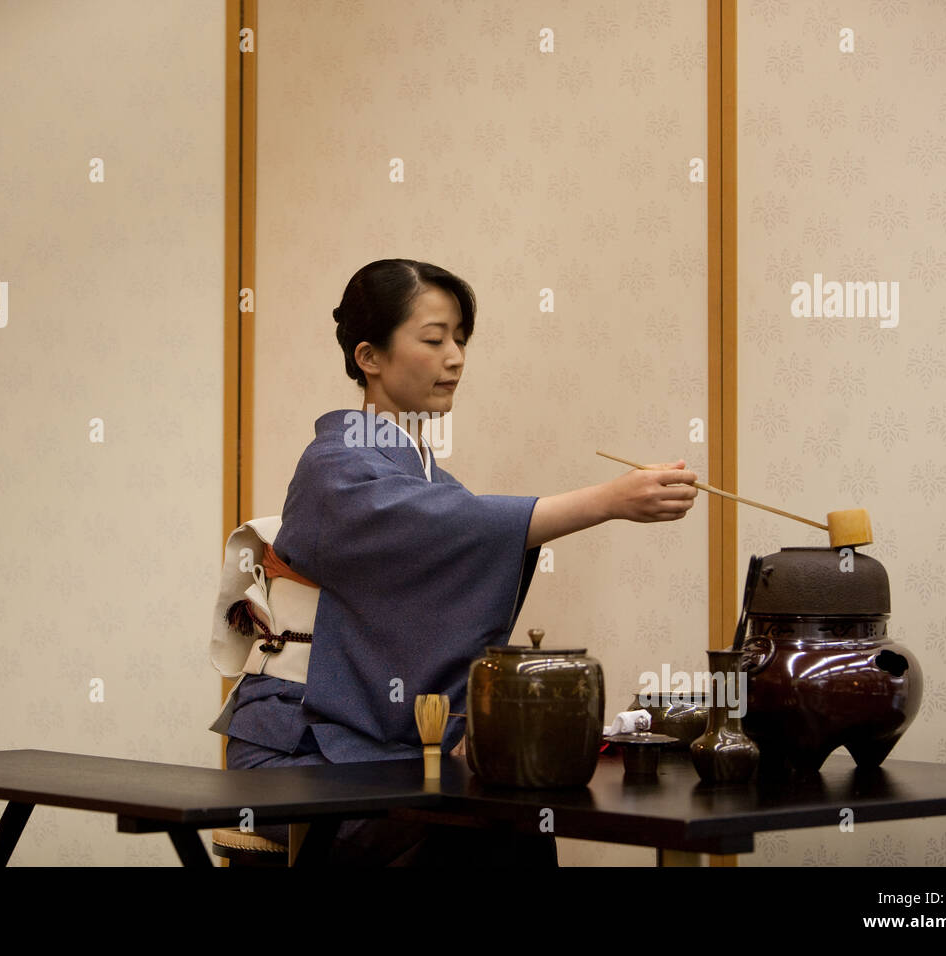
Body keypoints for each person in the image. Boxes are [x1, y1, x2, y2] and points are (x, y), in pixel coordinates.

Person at [218, 258, 699, 865]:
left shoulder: (428, 479)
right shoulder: (333, 466)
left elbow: (451, 544)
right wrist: (606, 501)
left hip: (373, 740)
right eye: (434, 339)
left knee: (516, 823)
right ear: (369, 357)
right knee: (470, 830)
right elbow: (452, 528)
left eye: (461, 340)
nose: (455, 357)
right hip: (301, 742)